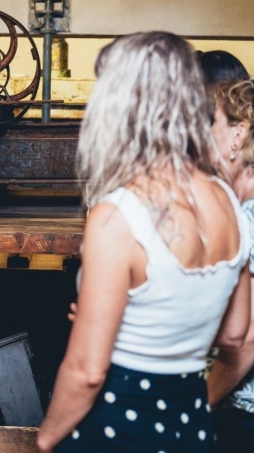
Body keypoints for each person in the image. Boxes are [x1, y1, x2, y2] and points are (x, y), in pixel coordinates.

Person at [36, 32, 251, 453]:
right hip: (191, 428)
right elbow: (236, 335)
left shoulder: (118, 217)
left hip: (116, 429)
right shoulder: (228, 201)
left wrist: (45, 441)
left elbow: (86, 373)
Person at [207, 79, 254, 452]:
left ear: (237, 135)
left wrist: (197, 404)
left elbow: (247, 340)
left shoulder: (249, 218)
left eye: (213, 122)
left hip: (246, 413)